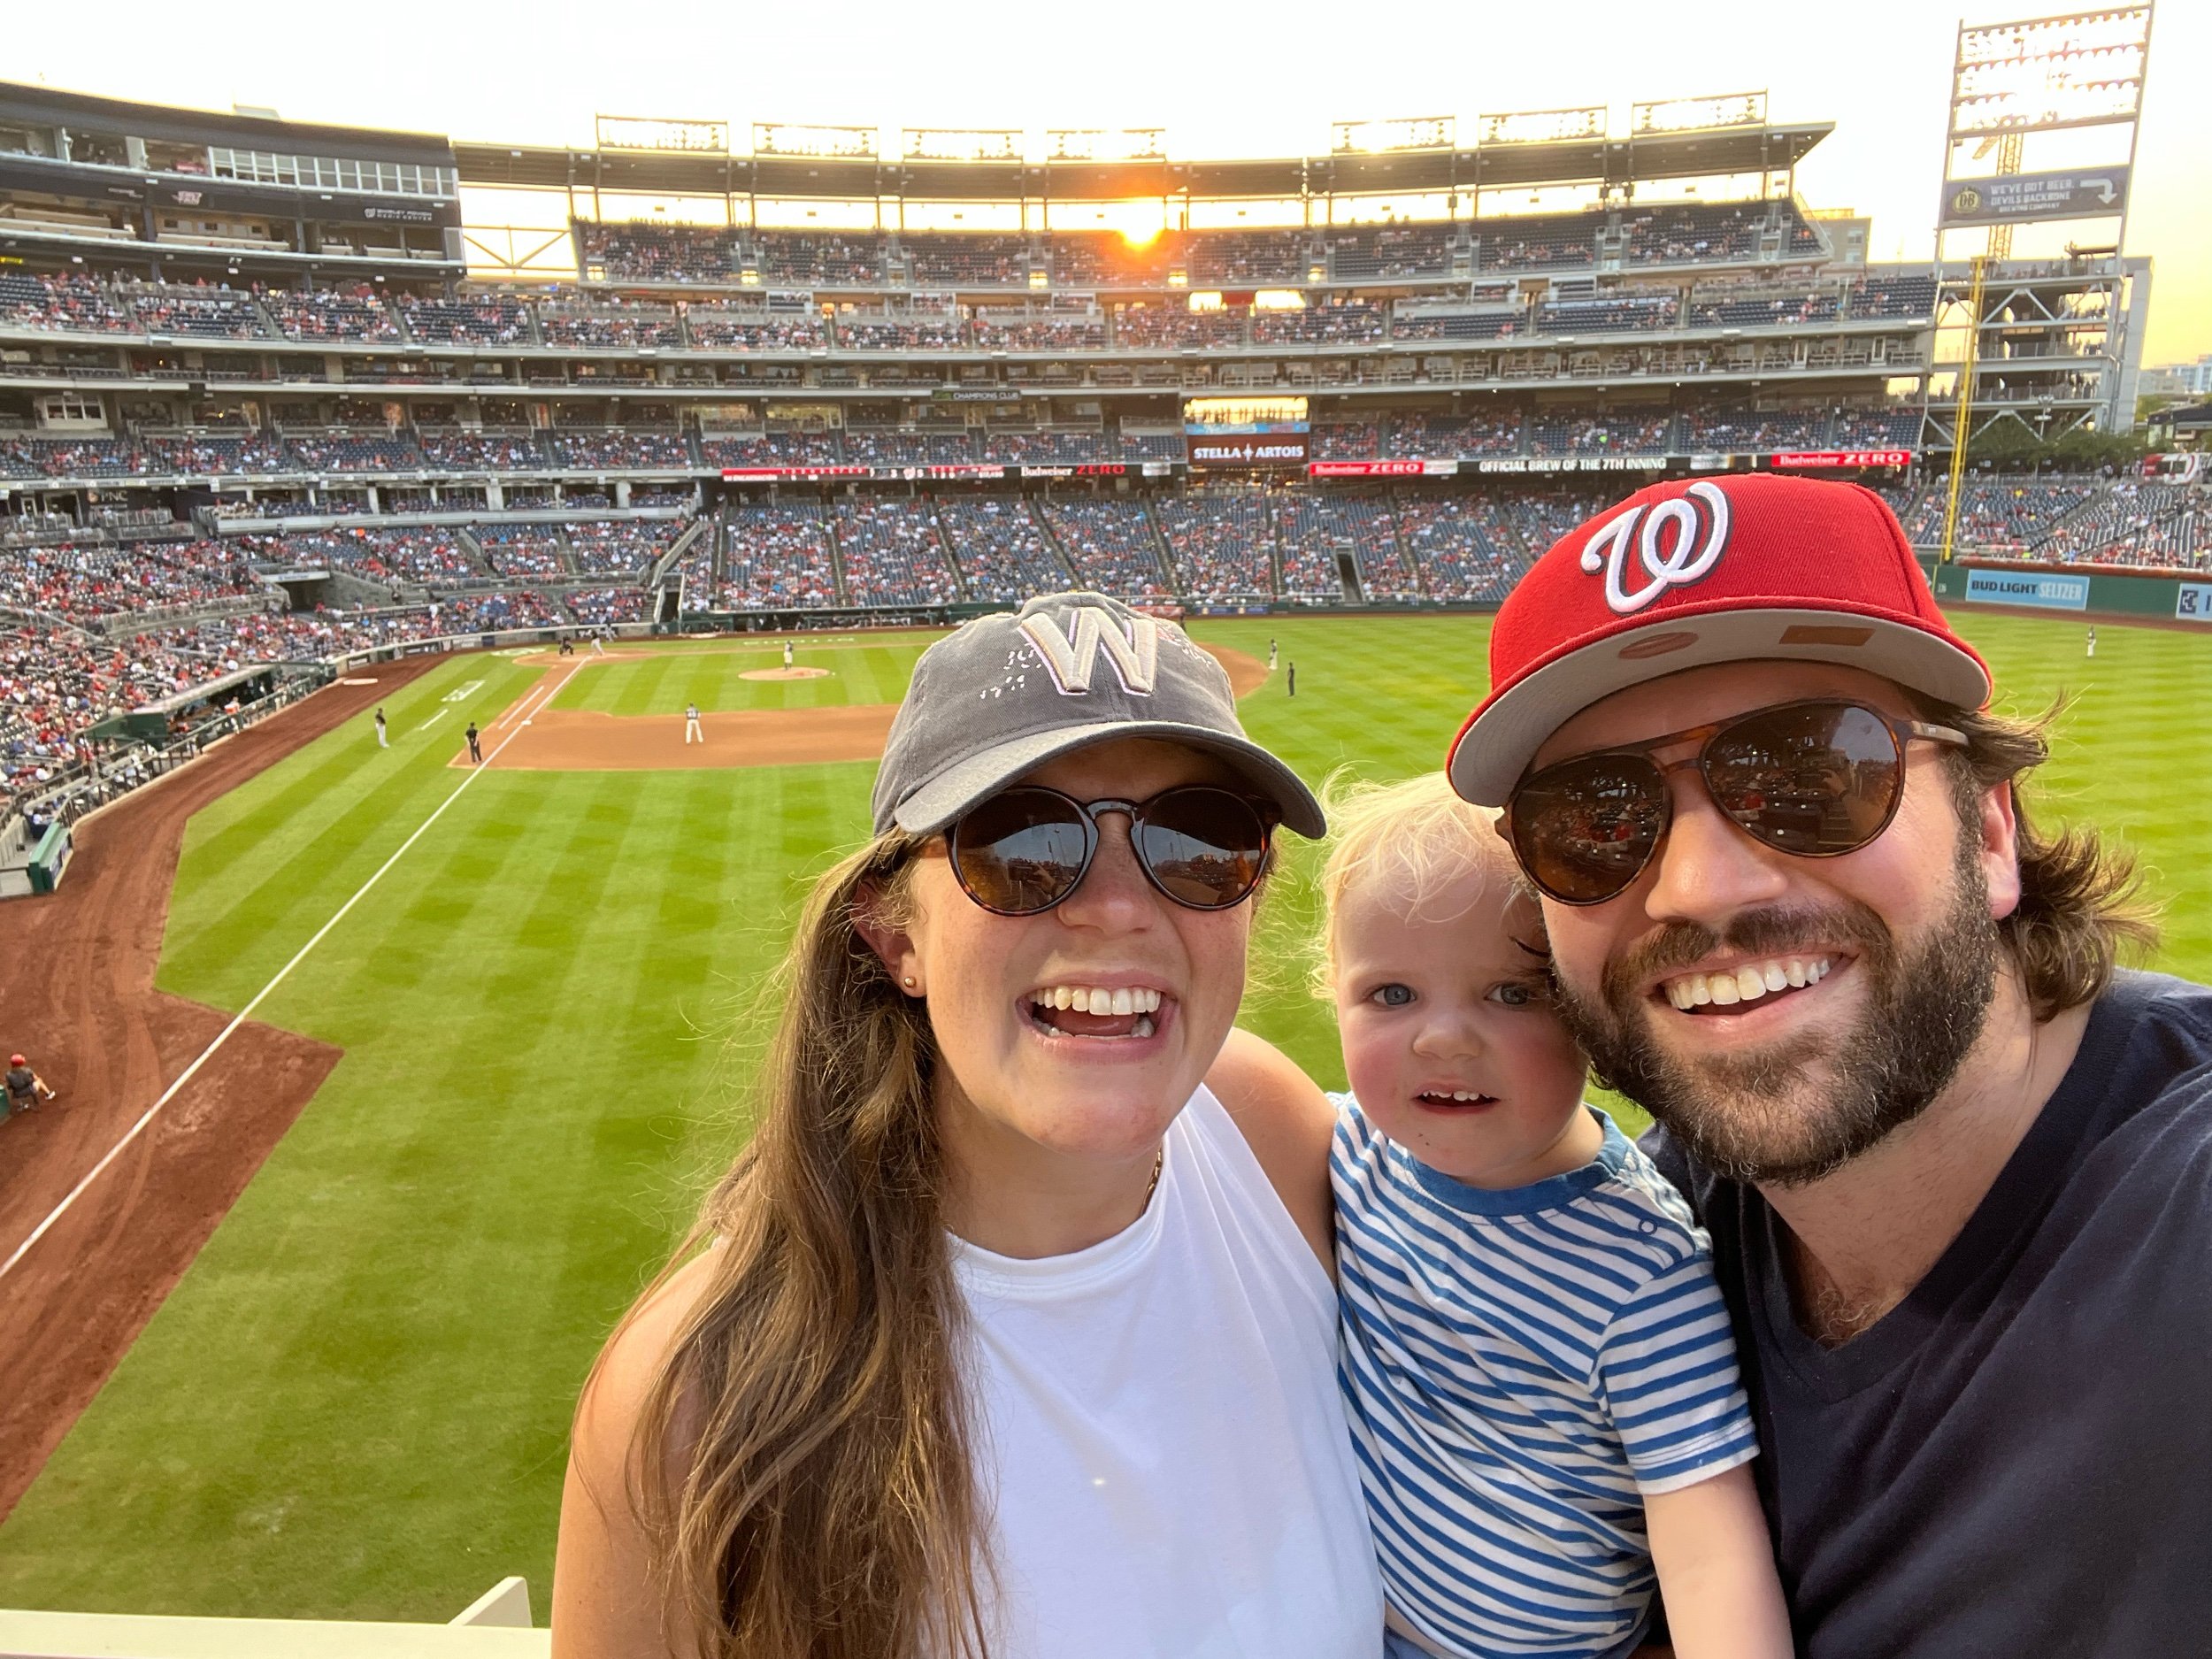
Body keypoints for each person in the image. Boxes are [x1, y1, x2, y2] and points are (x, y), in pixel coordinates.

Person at [1445, 472, 2206, 1657]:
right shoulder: (1647, 1234)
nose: (1702, 885)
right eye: (1593, 817)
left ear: (1992, 829)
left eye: (1812, 771)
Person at [553, 591, 1382, 1659]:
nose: (1120, 908)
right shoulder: (694, 1404)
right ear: (893, 934)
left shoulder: (1268, 1127)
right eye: (1023, 844)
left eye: (1200, 842)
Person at [1318, 773, 1788, 1659]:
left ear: (1589, 1012)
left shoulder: (1640, 1269)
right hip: (1342, 1626)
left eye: (1509, 993)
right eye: (1390, 995)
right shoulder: (1351, 1152)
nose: (1441, 1039)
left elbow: (1706, 1550)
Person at [5, 1053, 57, 1117]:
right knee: (39, 1081)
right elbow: (36, 1078)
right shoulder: (27, 1070)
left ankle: (22, 1104)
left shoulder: (8, 1074)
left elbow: (9, 1086)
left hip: (17, 1094)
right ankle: (49, 1094)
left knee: (13, 1088)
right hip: (30, 1090)